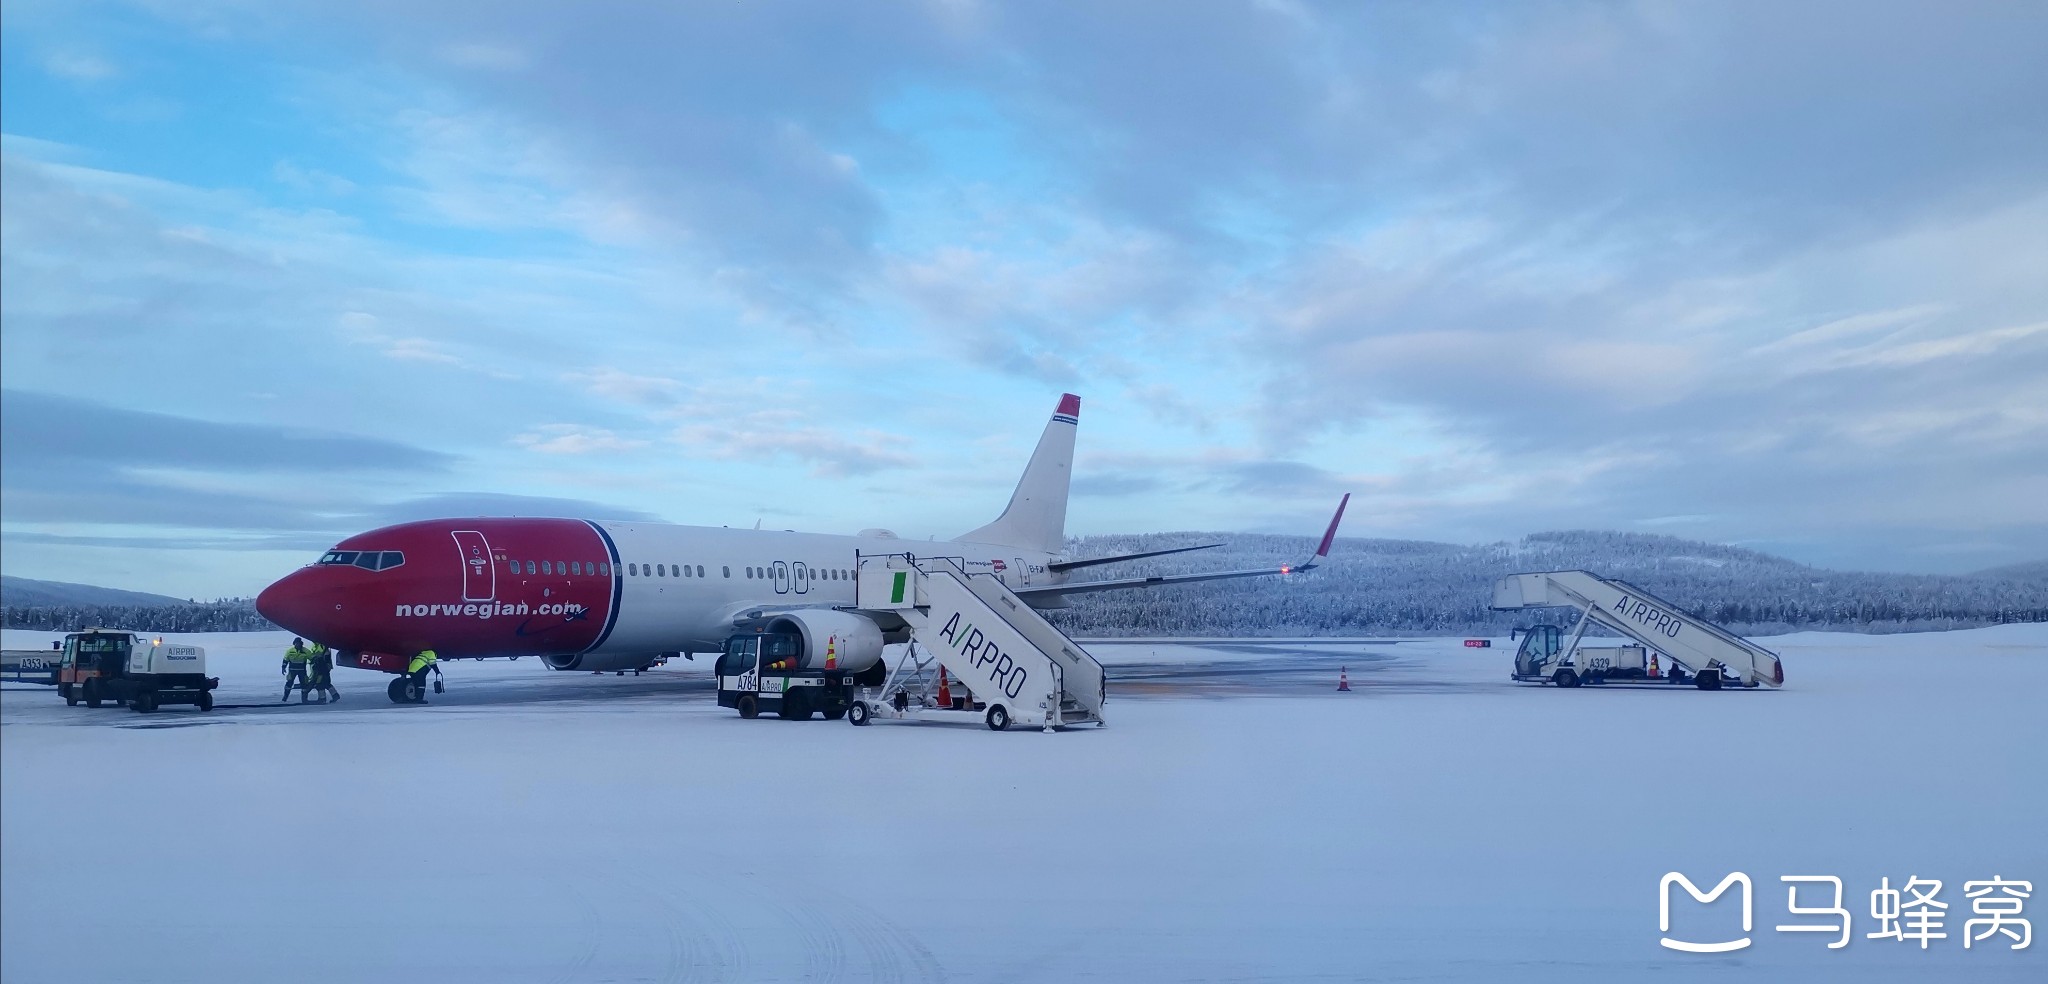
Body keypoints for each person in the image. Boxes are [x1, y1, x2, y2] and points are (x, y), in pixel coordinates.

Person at [282, 637, 313, 703]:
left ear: (301, 644)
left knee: (304, 684)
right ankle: (285, 697)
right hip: (292, 671)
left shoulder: (306, 651)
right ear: (294, 644)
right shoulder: (290, 651)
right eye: (296, 643)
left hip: (302, 671)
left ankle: (304, 699)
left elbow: (312, 658)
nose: (298, 645)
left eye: (299, 643)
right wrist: (283, 667)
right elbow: (285, 659)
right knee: (289, 684)